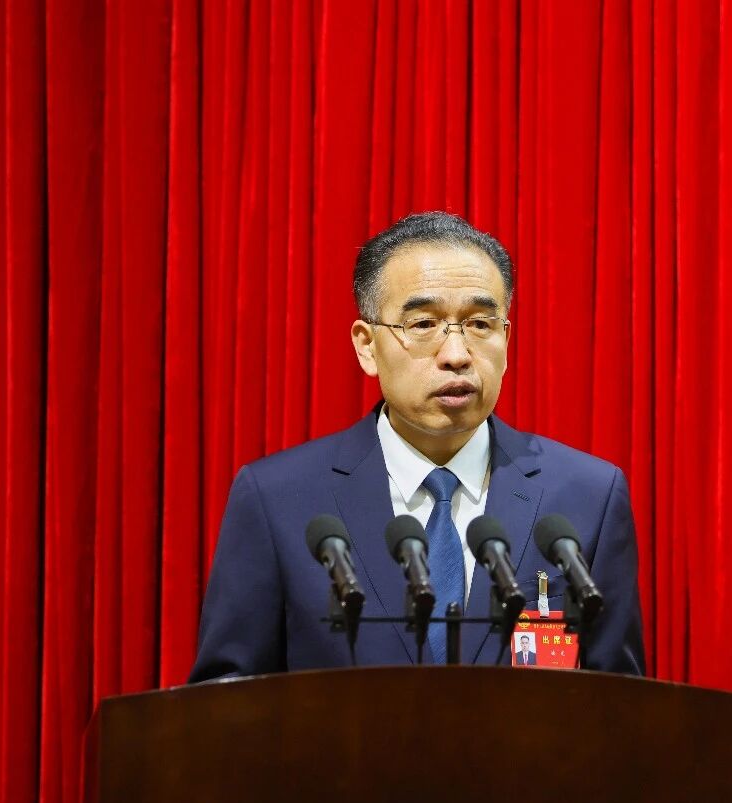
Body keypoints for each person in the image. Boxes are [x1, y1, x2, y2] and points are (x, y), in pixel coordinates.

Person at [189, 212, 644, 679]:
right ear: (367, 345)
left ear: (506, 339)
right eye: (424, 323)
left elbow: (622, 703)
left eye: (480, 324)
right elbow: (227, 699)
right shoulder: (277, 499)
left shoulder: (587, 497)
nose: (457, 355)